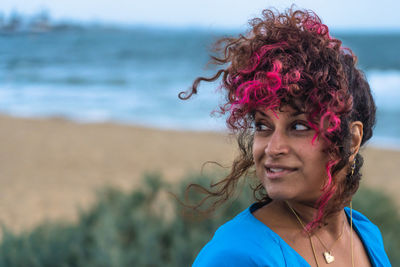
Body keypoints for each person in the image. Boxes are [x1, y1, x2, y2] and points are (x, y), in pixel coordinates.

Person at [179, 7, 391, 267]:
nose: (273, 148)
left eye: (299, 126)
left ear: (352, 140)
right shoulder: (237, 256)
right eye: (263, 126)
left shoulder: (364, 233)